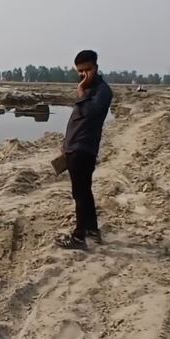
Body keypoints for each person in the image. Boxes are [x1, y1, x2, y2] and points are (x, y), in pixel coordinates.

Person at [56, 50, 113, 250]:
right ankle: (92, 230)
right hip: (75, 148)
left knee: (80, 194)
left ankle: (79, 237)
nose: (83, 74)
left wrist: (80, 91)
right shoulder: (90, 89)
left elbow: (89, 113)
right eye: (80, 71)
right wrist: (66, 143)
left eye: (87, 69)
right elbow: (77, 120)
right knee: (84, 192)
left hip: (84, 148)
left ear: (96, 67)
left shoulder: (102, 91)